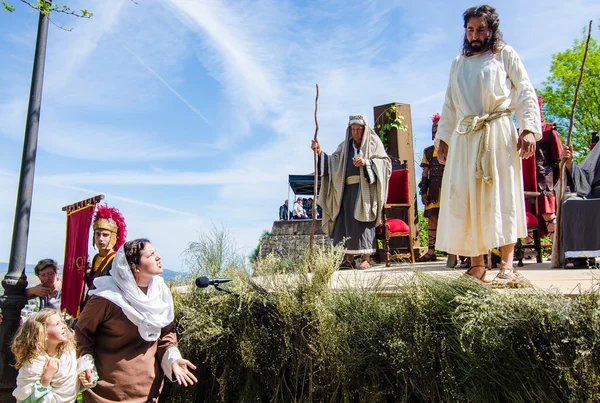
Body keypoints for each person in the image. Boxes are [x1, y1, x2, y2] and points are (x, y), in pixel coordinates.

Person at [435, 5, 541, 283]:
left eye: (480, 29)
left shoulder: (504, 54)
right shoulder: (458, 63)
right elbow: (449, 104)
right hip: (465, 137)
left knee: (502, 195)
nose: (474, 35)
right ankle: (477, 265)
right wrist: (443, 139)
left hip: (497, 134)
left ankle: (506, 264)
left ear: (491, 29)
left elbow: (526, 91)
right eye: (470, 29)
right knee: (466, 198)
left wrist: (528, 128)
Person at [75, 238, 197, 402]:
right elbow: (82, 333)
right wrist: (85, 364)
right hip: (106, 396)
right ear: (135, 267)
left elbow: (166, 335)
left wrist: (173, 359)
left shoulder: (161, 293)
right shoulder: (107, 298)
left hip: (148, 394)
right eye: (151, 255)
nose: (158, 257)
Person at [312, 114, 391, 269]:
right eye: (353, 129)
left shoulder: (373, 143)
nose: (355, 132)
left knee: (363, 222)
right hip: (346, 190)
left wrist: (367, 162)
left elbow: (385, 164)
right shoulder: (344, 147)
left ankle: (366, 258)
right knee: (345, 222)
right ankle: (348, 259)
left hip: (365, 189)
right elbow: (332, 163)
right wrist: (319, 152)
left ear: (364, 130)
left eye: (358, 129)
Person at [12, 309, 96, 402]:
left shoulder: (68, 352)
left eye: (62, 322)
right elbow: (27, 399)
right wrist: (46, 378)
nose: (64, 326)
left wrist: (85, 374)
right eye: (57, 324)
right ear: (43, 334)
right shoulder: (34, 363)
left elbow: (69, 384)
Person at [559, 132, 600, 268]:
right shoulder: (598, 149)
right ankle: (578, 257)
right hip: (595, 193)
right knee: (571, 203)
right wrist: (569, 164)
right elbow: (584, 175)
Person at [80, 204, 127, 312]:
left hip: (107, 309)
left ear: (113, 237)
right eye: (98, 234)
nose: (100, 239)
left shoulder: (117, 259)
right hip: (92, 305)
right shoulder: (96, 257)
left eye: (105, 235)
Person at [531, 95, 563, 240]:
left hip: (544, 180)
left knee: (549, 216)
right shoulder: (518, 132)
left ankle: (557, 249)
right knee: (527, 217)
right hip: (525, 181)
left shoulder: (550, 131)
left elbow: (559, 158)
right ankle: (524, 252)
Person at [418, 113, 444, 262]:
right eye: (434, 131)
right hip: (433, 189)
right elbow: (425, 173)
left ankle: (458, 253)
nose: (436, 133)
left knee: (452, 219)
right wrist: (423, 192)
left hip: (448, 189)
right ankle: (430, 251)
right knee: (432, 220)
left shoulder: (450, 148)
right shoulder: (428, 151)